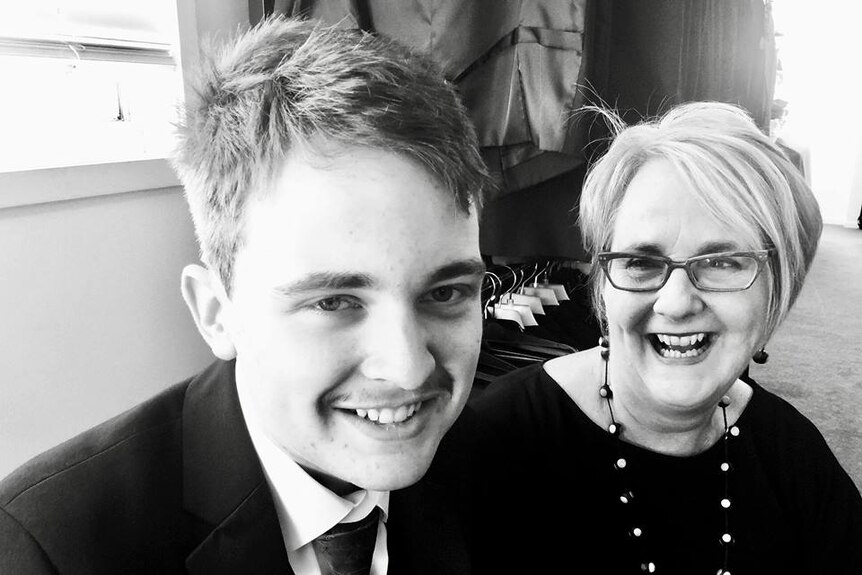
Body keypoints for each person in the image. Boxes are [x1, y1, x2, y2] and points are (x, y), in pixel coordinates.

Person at [0, 15, 492, 574]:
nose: (407, 369)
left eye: (446, 292)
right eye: (333, 302)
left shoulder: (504, 468)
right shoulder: (52, 549)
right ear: (215, 313)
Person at [467, 102, 862, 574]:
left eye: (722, 262)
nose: (676, 303)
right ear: (601, 285)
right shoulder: (493, 446)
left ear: (779, 288)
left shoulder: (793, 457)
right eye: (641, 262)